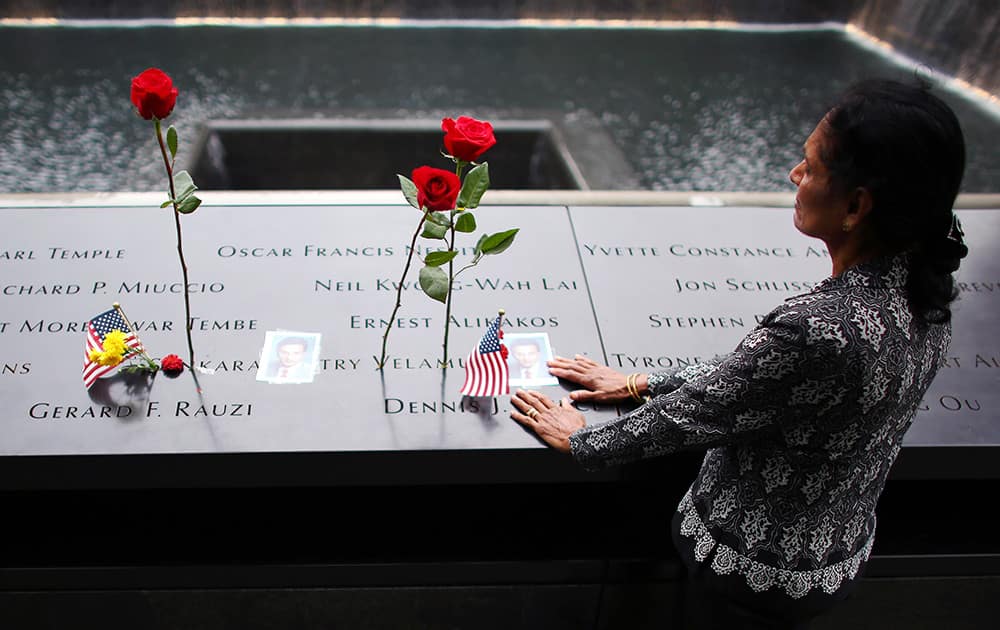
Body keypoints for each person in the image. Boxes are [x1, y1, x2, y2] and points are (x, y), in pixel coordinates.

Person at [510, 79, 968, 629]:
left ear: (856, 205)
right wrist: (640, 383)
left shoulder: (818, 329)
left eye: (810, 165)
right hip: (836, 554)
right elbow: (760, 385)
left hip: (750, 573)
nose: (795, 176)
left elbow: (703, 412)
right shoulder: (923, 280)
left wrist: (583, 439)